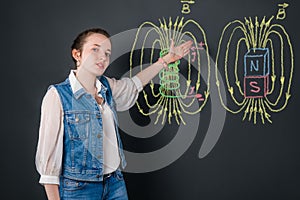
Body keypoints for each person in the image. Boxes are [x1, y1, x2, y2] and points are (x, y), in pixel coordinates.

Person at [35, 27, 192, 200]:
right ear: (77, 54)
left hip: (115, 183)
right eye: (95, 49)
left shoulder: (107, 87)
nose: (103, 57)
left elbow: (133, 85)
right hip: (79, 189)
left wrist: (165, 60)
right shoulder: (58, 95)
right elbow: (48, 160)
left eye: (107, 53)